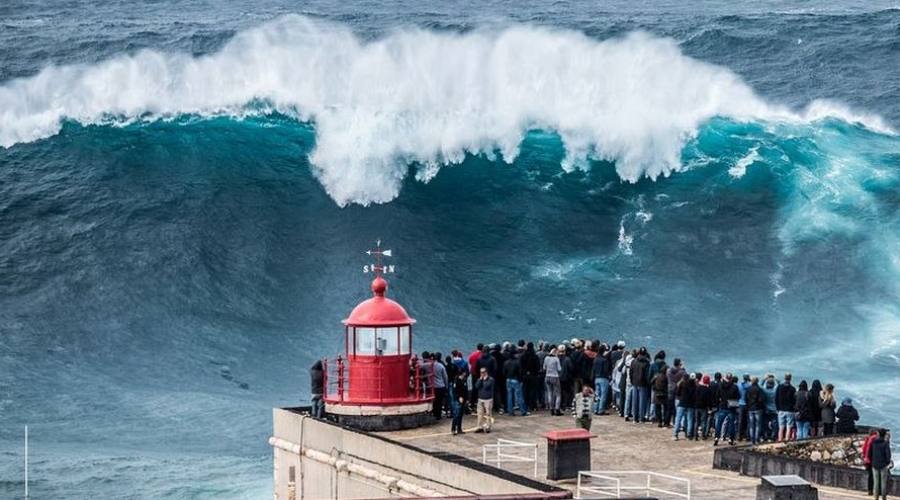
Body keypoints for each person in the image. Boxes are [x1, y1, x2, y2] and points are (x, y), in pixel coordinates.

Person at [714, 373, 740, 446]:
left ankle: (716, 437)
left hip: (722, 406)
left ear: (725, 378)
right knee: (731, 424)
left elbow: (717, 396)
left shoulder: (720, 385)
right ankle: (730, 439)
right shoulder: (735, 387)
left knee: (719, 423)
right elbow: (738, 397)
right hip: (731, 407)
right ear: (731, 378)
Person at [630, 347, 651, 423]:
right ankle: (641, 418)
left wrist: (632, 381)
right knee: (642, 402)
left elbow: (631, 373)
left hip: (635, 383)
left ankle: (635, 418)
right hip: (643, 385)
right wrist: (648, 384)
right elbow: (647, 376)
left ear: (639, 353)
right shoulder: (646, 363)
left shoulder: (634, 361)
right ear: (645, 354)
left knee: (635, 401)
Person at [870, 429, 893, 500]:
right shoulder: (885, 443)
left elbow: (870, 453)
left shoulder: (873, 443)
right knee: (883, 482)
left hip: (875, 464)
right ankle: (883, 497)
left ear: (878, 434)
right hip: (883, 465)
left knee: (876, 482)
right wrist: (887, 462)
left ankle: (876, 497)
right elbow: (888, 455)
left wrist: (873, 461)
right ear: (884, 435)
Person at [673, 374, 696, 440]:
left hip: (682, 403)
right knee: (689, 419)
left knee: (678, 418)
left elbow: (677, 393)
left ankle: (675, 434)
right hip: (690, 404)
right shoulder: (694, 386)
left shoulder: (683, 384)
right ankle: (689, 434)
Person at [775, 373, 796, 442]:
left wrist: (777, 408)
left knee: (781, 427)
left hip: (781, 409)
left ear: (784, 378)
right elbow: (794, 400)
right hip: (790, 410)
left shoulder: (779, 387)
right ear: (790, 378)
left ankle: (780, 439)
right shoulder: (793, 389)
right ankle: (787, 440)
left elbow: (776, 398)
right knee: (789, 427)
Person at [521, 342, 541, 412]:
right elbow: (538, 367)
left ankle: (526, 405)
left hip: (525, 376)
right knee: (533, 391)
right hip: (533, 376)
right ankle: (533, 405)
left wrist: (524, 373)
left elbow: (521, 366)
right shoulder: (535, 356)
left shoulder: (523, 356)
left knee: (525, 391)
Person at [593, 344, 612, 415]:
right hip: (603, 378)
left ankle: (595, 409)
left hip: (596, 378)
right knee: (603, 395)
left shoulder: (595, 359)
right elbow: (606, 370)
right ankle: (601, 410)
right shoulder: (604, 360)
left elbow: (593, 369)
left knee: (597, 395)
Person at [474, 368, 494, 433]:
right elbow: (476, 386)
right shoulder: (479, 379)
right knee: (480, 413)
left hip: (488, 399)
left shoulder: (490, 380)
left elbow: (486, 386)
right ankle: (479, 426)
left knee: (488, 413)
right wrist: (480, 380)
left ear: (486, 372)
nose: (482, 374)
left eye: (483, 372)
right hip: (480, 399)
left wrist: (484, 380)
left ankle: (488, 426)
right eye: (481, 372)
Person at [544, 347, 563, 415]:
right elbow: (559, 369)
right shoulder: (556, 359)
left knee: (549, 392)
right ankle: (557, 409)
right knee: (558, 394)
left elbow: (544, 367)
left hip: (547, 376)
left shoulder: (546, 358)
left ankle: (551, 408)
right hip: (555, 376)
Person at [694, 374, 714, 440]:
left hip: (697, 406)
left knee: (697, 421)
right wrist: (710, 408)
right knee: (703, 421)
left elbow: (695, 396)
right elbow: (709, 400)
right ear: (708, 382)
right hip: (703, 407)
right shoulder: (708, 389)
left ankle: (695, 435)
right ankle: (703, 435)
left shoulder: (698, 387)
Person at [431, 354, 449, 419]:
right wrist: (446, 386)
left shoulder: (429, 365)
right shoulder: (441, 366)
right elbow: (445, 377)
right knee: (439, 401)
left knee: (434, 401)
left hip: (433, 386)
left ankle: (434, 413)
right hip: (441, 386)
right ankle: (438, 415)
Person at [450, 370, 468, 435]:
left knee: (460, 415)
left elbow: (466, 390)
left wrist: (467, 399)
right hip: (458, 400)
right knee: (456, 414)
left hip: (463, 399)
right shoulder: (456, 380)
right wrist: (458, 397)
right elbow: (454, 391)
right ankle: (453, 429)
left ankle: (459, 429)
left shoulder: (464, 380)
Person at [863, 428, 879, 495]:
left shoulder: (867, 439)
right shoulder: (874, 439)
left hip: (868, 460)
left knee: (870, 476)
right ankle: (876, 490)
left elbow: (864, 449)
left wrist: (865, 458)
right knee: (876, 475)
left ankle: (870, 490)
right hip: (874, 459)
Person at [762, 375, 778, 441]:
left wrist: (764, 378)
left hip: (766, 409)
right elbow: (779, 384)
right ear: (773, 384)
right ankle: (773, 436)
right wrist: (775, 378)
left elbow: (760, 385)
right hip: (774, 409)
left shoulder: (765, 390)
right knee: (774, 424)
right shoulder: (775, 391)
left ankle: (765, 436)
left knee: (765, 424)